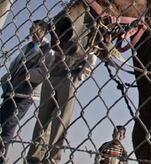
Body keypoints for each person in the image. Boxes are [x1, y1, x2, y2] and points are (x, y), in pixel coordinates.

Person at [26, 50, 97, 163]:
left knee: (61, 121)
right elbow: (51, 53)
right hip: (52, 75)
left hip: (71, 75)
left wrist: (80, 76)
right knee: (42, 118)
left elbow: (92, 56)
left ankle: (52, 158)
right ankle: (34, 157)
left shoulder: (87, 35)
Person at [0, 20, 53, 163]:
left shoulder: (48, 48)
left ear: (43, 30)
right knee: (1, 121)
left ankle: (1, 157)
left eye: (34, 28)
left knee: (9, 125)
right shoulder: (30, 46)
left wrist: (27, 75)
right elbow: (16, 65)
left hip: (25, 93)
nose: (31, 30)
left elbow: (44, 71)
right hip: (12, 89)